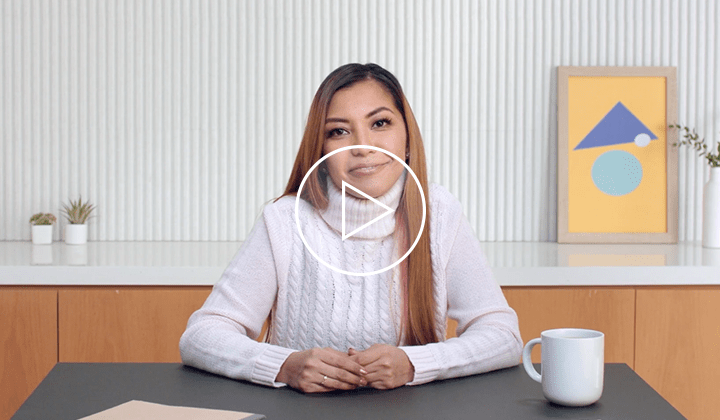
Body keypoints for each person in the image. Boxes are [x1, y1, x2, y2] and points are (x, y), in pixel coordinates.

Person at [180, 63, 522, 393]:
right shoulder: (285, 220)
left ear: (406, 137)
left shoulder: (439, 212)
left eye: (380, 123)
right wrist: (284, 365)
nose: (363, 146)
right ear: (321, 149)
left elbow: (503, 336)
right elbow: (202, 335)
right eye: (339, 131)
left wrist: (415, 363)